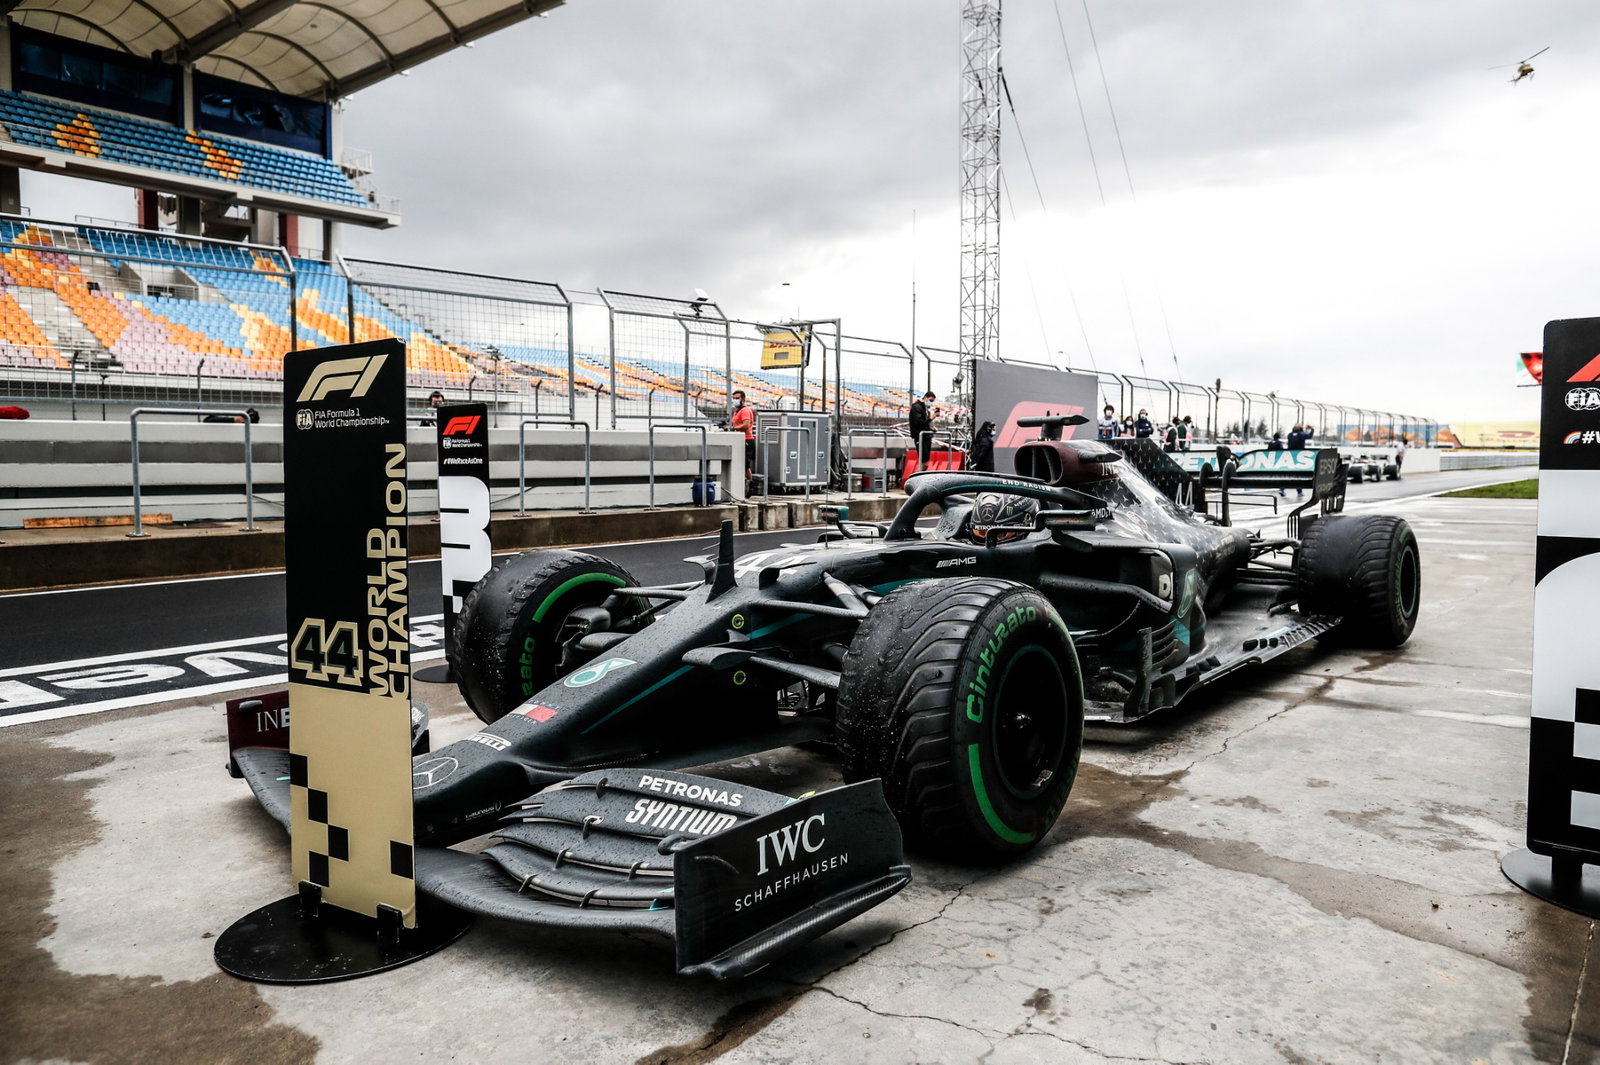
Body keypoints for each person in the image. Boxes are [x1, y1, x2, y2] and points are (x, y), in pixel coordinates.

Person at [730, 390, 755, 485]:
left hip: (747, 440)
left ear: (743, 399)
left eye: (737, 398)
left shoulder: (745, 410)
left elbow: (746, 425)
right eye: (734, 398)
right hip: (739, 440)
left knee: (744, 464)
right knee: (740, 463)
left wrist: (734, 428)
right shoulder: (736, 411)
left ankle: (750, 484)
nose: (735, 400)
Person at [909, 391, 935, 469]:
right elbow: (918, 422)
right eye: (930, 400)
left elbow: (923, 423)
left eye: (932, 401)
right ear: (925, 397)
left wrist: (930, 429)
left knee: (925, 463)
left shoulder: (924, 408)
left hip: (926, 436)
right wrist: (930, 419)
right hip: (920, 437)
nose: (930, 403)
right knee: (924, 463)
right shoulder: (917, 407)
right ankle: (914, 479)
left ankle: (918, 477)